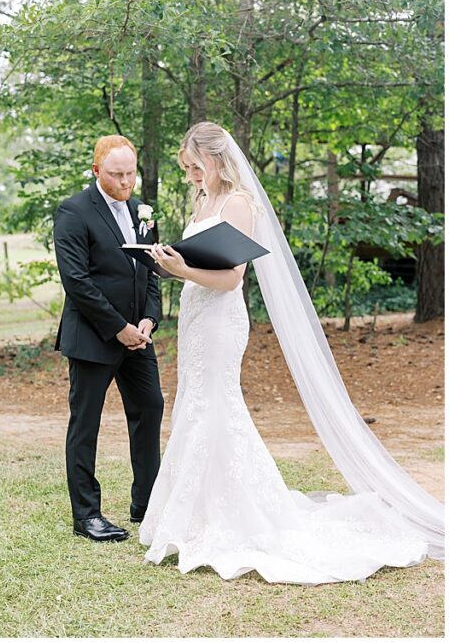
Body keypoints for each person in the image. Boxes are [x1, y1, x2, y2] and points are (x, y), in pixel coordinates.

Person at [139, 121, 436, 583]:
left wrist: (186, 271)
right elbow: (197, 264)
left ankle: (236, 516)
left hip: (221, 317)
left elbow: (232, 277)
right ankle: (193, 513)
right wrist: (169, 266)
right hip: (195, 315)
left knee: (218, 405)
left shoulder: (239, 204)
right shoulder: (203, 200)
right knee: (193, 401)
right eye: (187, 170)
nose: (192, 177)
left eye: (196, 167)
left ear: (215, 159)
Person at [52, 135, 163, 542]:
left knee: (150, 407)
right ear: (97, 171)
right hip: (95, 337)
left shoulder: (142, 211)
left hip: (140, 338)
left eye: (131, 173)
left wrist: (149, 319)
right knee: (86, 424)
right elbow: (76, 281)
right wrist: (119, 328)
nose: (126, 182)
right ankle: (86, 515)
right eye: (117, 174)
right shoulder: (73, 211)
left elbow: (152, 270)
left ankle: (147, 502)